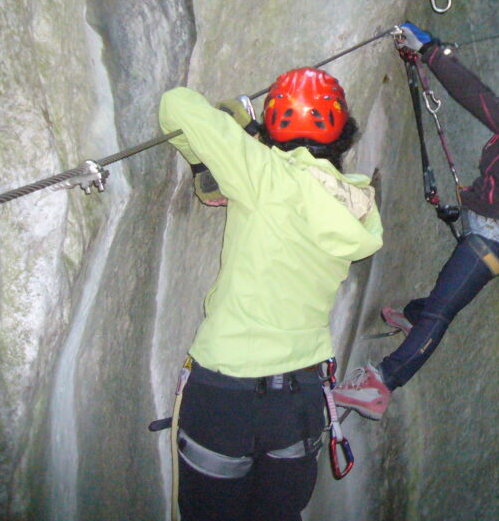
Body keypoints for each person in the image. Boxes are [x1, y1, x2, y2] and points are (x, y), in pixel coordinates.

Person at [158, 67, 383, 521]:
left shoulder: (259, 173)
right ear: (342, 132)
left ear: (272, 126)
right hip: (300, 400)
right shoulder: (360, 203)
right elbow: (305, 186)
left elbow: (176, 105)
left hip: (224, 395)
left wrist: (211, 163)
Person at [332, 22, 499, 420]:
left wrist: (432, 51)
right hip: (495, 233)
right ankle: (412, 316)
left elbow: (476, 97)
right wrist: (472, 202)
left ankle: (381, 384)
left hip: (495, 241)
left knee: (441, 314)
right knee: (439, 300)